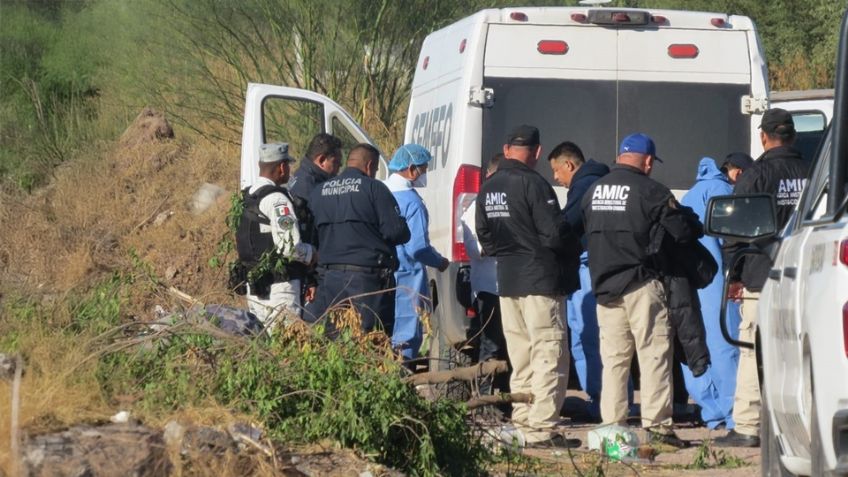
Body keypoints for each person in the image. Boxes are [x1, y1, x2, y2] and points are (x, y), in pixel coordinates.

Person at [582, 133, 702, 448]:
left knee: (615, 360)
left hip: (605, 289)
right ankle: (658, 428)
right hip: (641, 284)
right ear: (648, 161)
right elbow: (683, 232)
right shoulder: (651, 191)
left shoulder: (593, 191)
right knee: (654, 356)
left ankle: (612, 426)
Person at [476, 125, 581, 448]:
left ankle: (522, 421)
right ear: (536, 152)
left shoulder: (489, 186)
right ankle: (542, 429)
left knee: (520, 355)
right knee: (548, 352)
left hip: (507, 280)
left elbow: (485, 235)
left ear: (507, 150)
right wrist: (573, 244)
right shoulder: (534, 183)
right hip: (540, 280)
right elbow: (553, 234)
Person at [714, 109, 809, 448]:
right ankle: (801, 427)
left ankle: (749, 426)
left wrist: (734, 274)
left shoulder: (755, 175)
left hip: (759, 274)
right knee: (801, 352)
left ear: (763, 137)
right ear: (793, 136)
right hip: (804, 276)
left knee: (754, 350)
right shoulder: (812, 172)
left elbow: (735, 229)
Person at [305, 144, 411, 334]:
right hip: (367, 279)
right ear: (370, 165)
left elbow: (310, 238)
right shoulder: (374, 188)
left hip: (330, 279)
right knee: (372, 338)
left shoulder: (319, 191)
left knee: (335, 337)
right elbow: (396, 232)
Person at [548, 141, 609, 422]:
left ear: (569, 165)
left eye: (556, 171)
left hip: (589, 269)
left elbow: (566, 225)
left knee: (589, 337)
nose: (555, 179)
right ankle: (600, 400)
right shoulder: (595, 182)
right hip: (591, 267)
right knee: (591, 337)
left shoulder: (584, 187)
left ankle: (600, 403)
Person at [679, 157, 737, 430]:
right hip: (717, 283)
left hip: (690, 282)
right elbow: (732, 237)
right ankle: (732, 414)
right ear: (733, 173)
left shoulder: (691, 193)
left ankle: (711, 412)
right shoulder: (722, 190)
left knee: (693, 348)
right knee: (725, 346)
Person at [236, 143, 316, 329]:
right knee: (286, 343)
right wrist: (311, 253)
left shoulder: (247, 197)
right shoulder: (278, 200)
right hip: (280, 290)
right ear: (282, 167)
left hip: (255, 287)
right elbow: (289, 247)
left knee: (262, 341)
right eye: (288, 165)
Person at [384, 144, 449, 364]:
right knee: (407, 332)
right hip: (407, 275)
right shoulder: (412, 202)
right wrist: (439, 262)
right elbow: (417, 248)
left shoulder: (379, 192)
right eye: (423, 169)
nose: (424, 174)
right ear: (412, 169)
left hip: (383, 273)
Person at [461, 153, 509, 397]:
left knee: (512, 346)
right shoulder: (476, 207)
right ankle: (485, 398)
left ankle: (507, 397)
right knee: (490, 345)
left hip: (514, 286)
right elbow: (477, 249)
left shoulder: (514, 201)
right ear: (489, 176)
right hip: (490, 287)